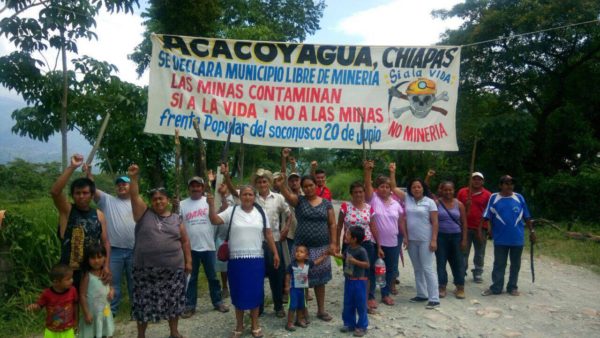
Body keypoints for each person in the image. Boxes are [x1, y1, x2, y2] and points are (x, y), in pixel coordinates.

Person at [128, 164, 192, 338]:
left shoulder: (176, 218)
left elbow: (185, 241)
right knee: (143, 304)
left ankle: (174, 332)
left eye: (161, 198)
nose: (158, 201)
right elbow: (134, 196)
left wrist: (189, 261)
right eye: (155, 199)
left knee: (174, 302)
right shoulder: (143, 214)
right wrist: (133, 178)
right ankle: (141, 335)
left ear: (168, 200)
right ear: (151, 202)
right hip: (145, 270)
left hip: (173, 270)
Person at [207, 185, 280, 338]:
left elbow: (268, 234)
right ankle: (239, 325)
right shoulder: (232, 210)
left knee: (255, 292)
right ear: (240, 197)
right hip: (237, 261)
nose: (247, 197)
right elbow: (214, 220)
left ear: (254, 196)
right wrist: (211, 204)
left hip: (256, 260)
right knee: (238, 292)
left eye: (250, 194)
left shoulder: (261, 212)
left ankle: (255, 324)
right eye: (245, 194)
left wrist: (275, 253)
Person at [275, 174, 337, 322]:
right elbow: (288, 195)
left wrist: (333, 243)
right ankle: (303, 312)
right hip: (301, 249)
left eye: (311, 185)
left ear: (316, 185)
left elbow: (332, 224)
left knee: (320, 281)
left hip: (321, 248)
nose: (308, 188)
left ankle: (321, 310)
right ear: (302, 188)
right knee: (301, 281)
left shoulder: (326, 204)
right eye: (305, 186)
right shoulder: (299, 201)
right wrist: (282, 185)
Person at [50, 154, 110, 289]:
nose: (81, 196)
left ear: (91, 195)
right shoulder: (67, 210)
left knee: (93, 307)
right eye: (77, 193)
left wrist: (106, 266)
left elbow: (105, 242)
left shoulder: (99, 215)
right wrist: (72, 167)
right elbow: (55, 192)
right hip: (69, 273)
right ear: (73, 195)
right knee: (70, 308)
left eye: (85, 192)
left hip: (92, 271)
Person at [84, 167, 135, 315]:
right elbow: (92, 190)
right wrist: (89, 175)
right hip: (113, 251)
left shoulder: (136, 202)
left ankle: (136, 310)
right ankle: (110, 312)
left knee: (134, 283)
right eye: (119, 184)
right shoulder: (108, 200)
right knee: (112, 283)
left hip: (134, 250)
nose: (121, 186)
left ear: (131, 187)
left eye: (124, 184)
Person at [180, 176, 229, 318]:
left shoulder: (210, 201)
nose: (195, 188)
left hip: (208, 246)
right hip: (190, 248)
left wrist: (222, 196)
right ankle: (190, 305)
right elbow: (177, 223)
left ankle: (218, 302)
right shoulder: (182, 204)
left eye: (198, 186)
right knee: (191, 278)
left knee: (213, 277)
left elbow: (225, 210)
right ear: (189, 188)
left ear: (202, 188)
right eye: (193, 186)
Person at [480, 175, 536, 297]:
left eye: (511, 183)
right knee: (499, 264)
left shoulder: (519, 198)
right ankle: (496, 287)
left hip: (517, 238)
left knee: (515, 264)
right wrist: (488, 229)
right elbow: (487, 215)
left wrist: (532, 232)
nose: (509, 186)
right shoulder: (494, 197)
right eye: (506, 183)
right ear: (500, 185)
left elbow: (527, 216)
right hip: (500, 238)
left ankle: (512, 287)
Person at [250, 168, 291, 318]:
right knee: (258, 275)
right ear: (256, 184)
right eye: (259, 182)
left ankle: (278, 306)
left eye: (264, 181)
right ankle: (258, 307)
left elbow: (289, 213)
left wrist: (285, 229)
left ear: (269, 182)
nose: (262, 184)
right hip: (256, 242)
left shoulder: (278, 198)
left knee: (276, 275)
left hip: (274, 241)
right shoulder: (252, 198)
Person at [337, 181, 382, 314]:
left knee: (366, 273)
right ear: (351, 193)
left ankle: (365, 301)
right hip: (349, 244)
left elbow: (373, 227)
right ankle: (351, 301)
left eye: (361, 192)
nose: (358, 194)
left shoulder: (369, 208)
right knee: (349, 272)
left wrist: (379, 246)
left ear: (364, 193)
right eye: (355, 192)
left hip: (366, 244)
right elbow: (339, 226)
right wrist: (335, 243)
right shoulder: (345, 207)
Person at [363, 160, 404, 307]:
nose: (385, 189)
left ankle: (385, 294)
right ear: (377, 188)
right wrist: (368, 171)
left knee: (390, 270)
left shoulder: (396, 204)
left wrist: (405, 237)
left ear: (390, 189)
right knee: (373, 269)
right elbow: (367, 185)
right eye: (382, 186)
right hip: (374, 242)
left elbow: (400, 222)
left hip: (393, 242)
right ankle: (371, 295)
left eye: (387, 187)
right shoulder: (373, 199)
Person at [403, 178, 440, 309]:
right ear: (410, 189)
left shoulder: (430, 202)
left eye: (419, 187)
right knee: (417, 268)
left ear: (423, 188)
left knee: (428, 268)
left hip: (426, 239)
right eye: (414, 187)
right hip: (412, 240)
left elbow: (435, 222)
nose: (416, 189)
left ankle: (434, 298)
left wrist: (434, 239)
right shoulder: (408, 199)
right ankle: (421, 294)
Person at [435, 181, 468, 299]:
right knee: (441, 262)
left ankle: (460, 287)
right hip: (441, 237)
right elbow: (433, 221)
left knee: (458, 263)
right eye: (445, 190)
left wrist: (464, 239)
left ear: (454, 190)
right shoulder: (437, 203)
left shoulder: (459, 204)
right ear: (441, 191)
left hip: (456, 237)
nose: (448, 192)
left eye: (450, 190)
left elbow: (464, 223)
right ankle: (442, 286)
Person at [457, 172, 491, 283]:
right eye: (474, 179)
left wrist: (489, 228)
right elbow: (456, 207)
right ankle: (461, 271)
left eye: (479, 179)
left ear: (483, 181)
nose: (476, 181)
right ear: (471, 180)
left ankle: (478, 272)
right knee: (463, 251)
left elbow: (489, 212)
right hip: (465, 227)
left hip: (481, 228)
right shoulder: (463, 192)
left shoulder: (487, 195)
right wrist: (465, 206)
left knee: (480, 252)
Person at [335, 226, 370, 337]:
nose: (346, 235)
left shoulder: (361, 250)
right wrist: (334, 255)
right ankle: (349, 323)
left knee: (360, 304)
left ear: (354, 239)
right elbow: (344, 257)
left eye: (348, 234)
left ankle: (362, 326)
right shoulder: (349, 248)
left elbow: (367, 264)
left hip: (359, 281)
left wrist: (355, 261)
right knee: (348, 303)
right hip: (349, 280)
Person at [27, 264, 78, 338]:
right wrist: (35, 306)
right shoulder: (47, 293)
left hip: (68, 330)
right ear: (56, 282)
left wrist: (76, 320)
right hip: (51, 331)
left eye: (71, 278)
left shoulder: (73, 290)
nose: (72, 280)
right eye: (68, 279)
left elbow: (75, 305)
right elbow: (39, 306)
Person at [284, 245, 327, 331]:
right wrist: (287, 286)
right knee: (292, 306)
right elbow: (288, 276)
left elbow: (316, 262)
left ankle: (299, 320)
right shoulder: (292, 265)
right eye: (297, 251)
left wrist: (324, 256)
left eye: (301, 252)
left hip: (303, 289)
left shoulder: (308, 263)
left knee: (301, 305)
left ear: (306, 256)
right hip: (294, 289)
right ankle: (289, 322)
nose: (298, 253)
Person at [79, 244, 115, 338]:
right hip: (92, 313)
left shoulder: (106, 274)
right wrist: (86, 313)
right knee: (93, 333)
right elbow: (82, 295)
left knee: (106, 332)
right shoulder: (87, 276)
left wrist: (111, 292)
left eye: (100, 257)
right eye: (93, 258)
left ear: (105, 258)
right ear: (87, 259)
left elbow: (111, 287)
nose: (96, 261)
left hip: (106, 310)